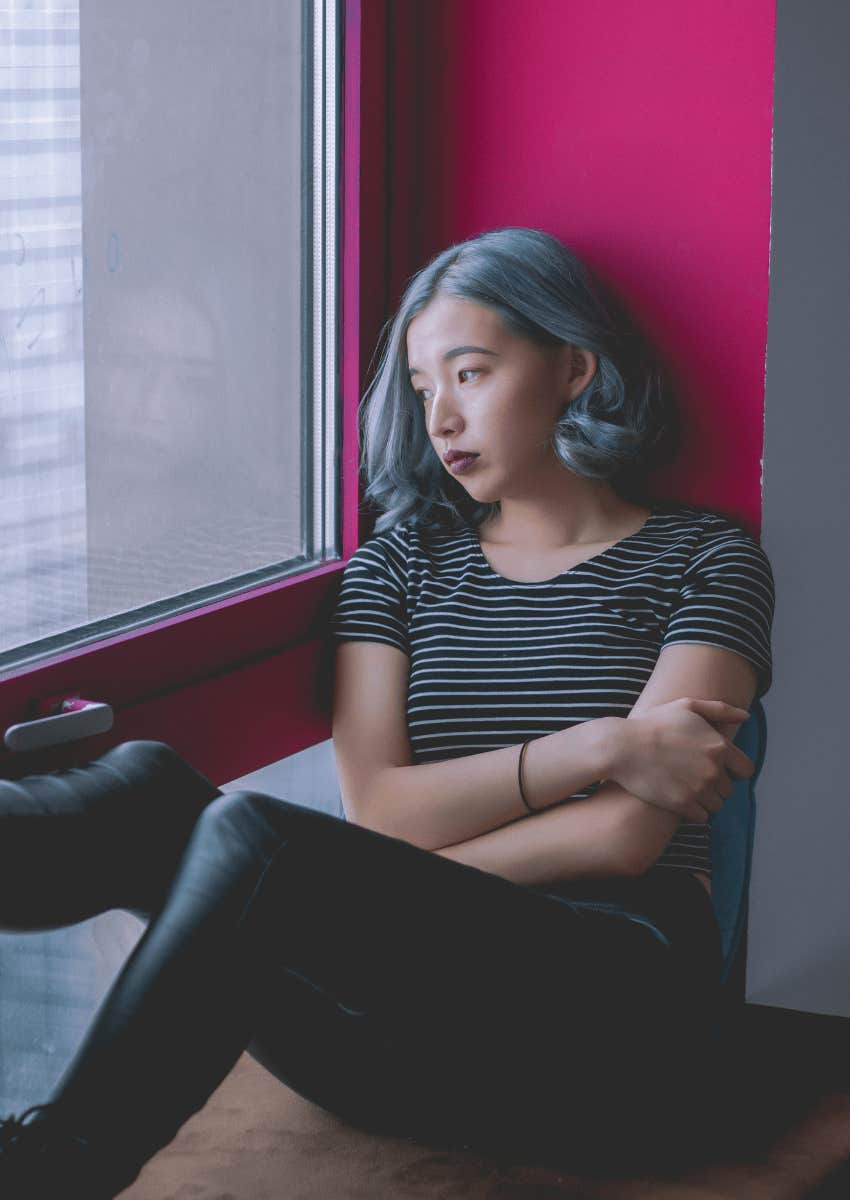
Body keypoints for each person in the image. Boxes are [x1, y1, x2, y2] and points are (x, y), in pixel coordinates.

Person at [0, 227, 774, 1196]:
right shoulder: (398, 568)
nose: (441, 416)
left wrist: (349, 883)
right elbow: (381, 810)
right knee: (149, 786)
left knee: (254, 843)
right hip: (382, 1042)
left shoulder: (707, 560)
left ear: (573, 367)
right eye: (420, 388)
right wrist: (599, 743)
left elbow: (622, 836)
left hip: (611, 1024)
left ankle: (48, 1174)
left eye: (471, 373)